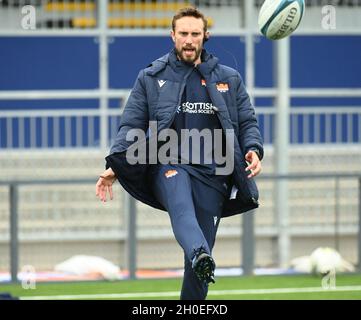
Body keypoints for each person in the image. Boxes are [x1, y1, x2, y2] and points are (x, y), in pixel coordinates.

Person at [95, 7, 263, 300]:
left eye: (195, 34)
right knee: (181, 204)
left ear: (205, 36)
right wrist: (117, 164)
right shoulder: (150, 76)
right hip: (168, 165)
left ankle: (199, 261)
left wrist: (252, 149)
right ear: (172, 36)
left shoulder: (229, 78)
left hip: (214, 173)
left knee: (199, 271)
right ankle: (199, 252)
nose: (189, 39)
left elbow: (247, 121)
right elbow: (131, 124)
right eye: (183, 33)